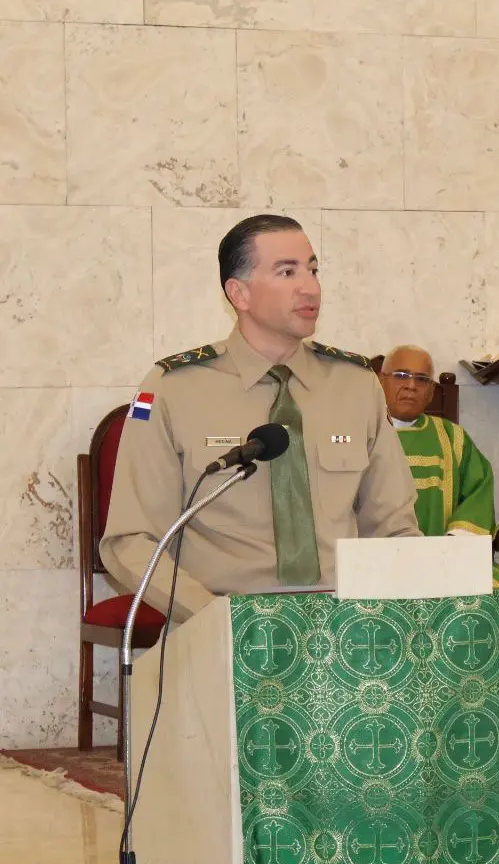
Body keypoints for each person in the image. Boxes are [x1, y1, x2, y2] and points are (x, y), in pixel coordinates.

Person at [101, 214, 420, 622]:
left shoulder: (356, 385)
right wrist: (214, 619)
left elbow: (394, 528)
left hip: (344, 628)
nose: (311, 287)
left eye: (313, 269)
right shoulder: (173, 388)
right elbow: (130, 541)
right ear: (239, 293)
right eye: (287, 271)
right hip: (221, 624)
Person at [379, 345, 499, 588]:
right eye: (401, 376)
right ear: (381, 382)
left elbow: (478, 493)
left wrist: (452, 549)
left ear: (431, 392)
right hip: (376, 562)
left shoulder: (452, 438)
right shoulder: (359, 434)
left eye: (421, 379)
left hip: (447, 562)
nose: (411, 385)